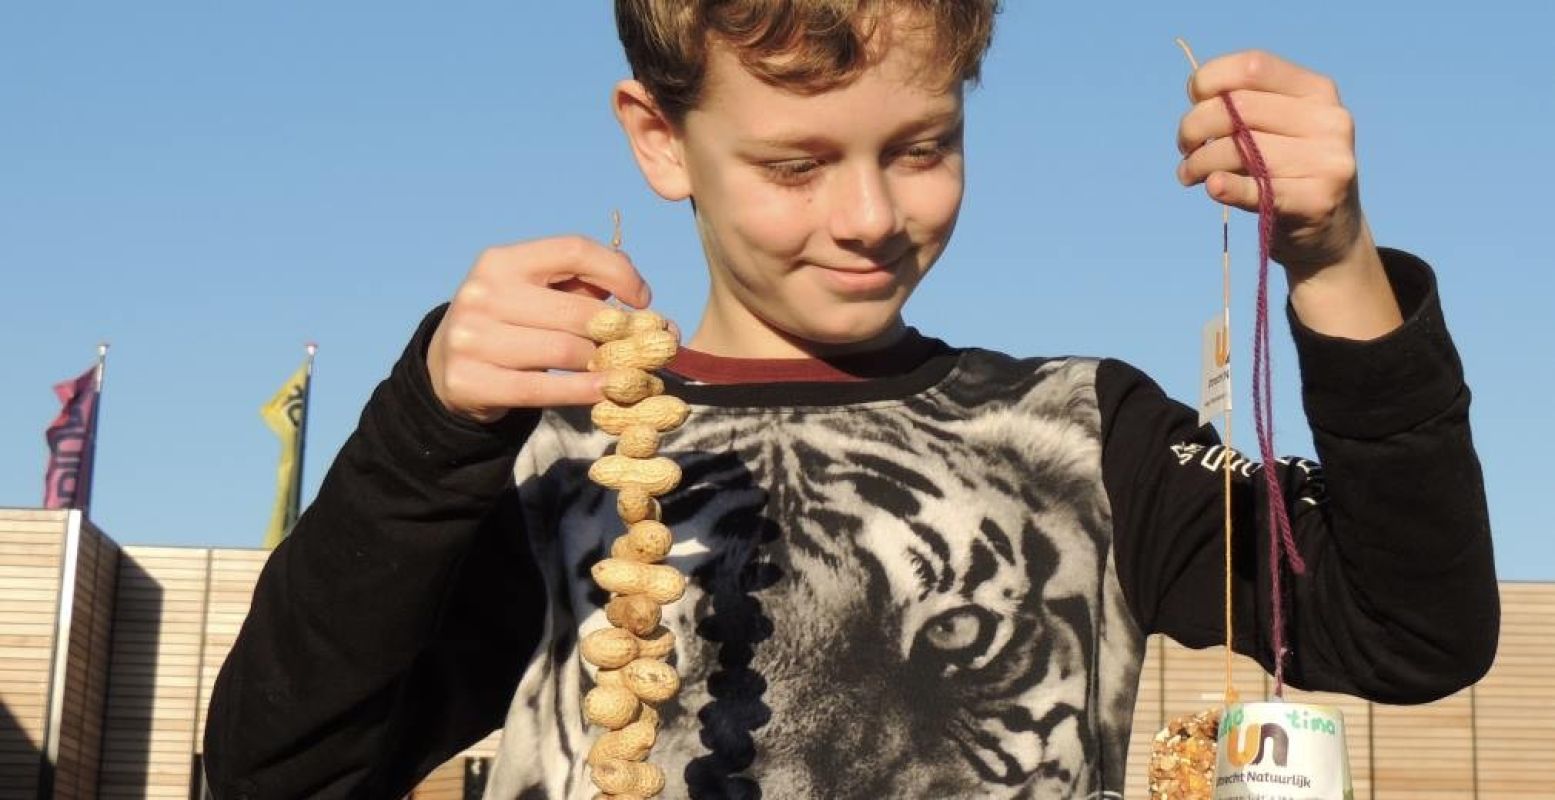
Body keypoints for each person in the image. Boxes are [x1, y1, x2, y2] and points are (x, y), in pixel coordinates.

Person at [203, 2, 1498, 798]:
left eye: (921, 146)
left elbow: (1409, 629)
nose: (871, 217)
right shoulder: (553, 449)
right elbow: (272, 771)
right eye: (796, 160)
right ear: (661, 137)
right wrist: (421, 434)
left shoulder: (1082, 431)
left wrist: (1334, 258)